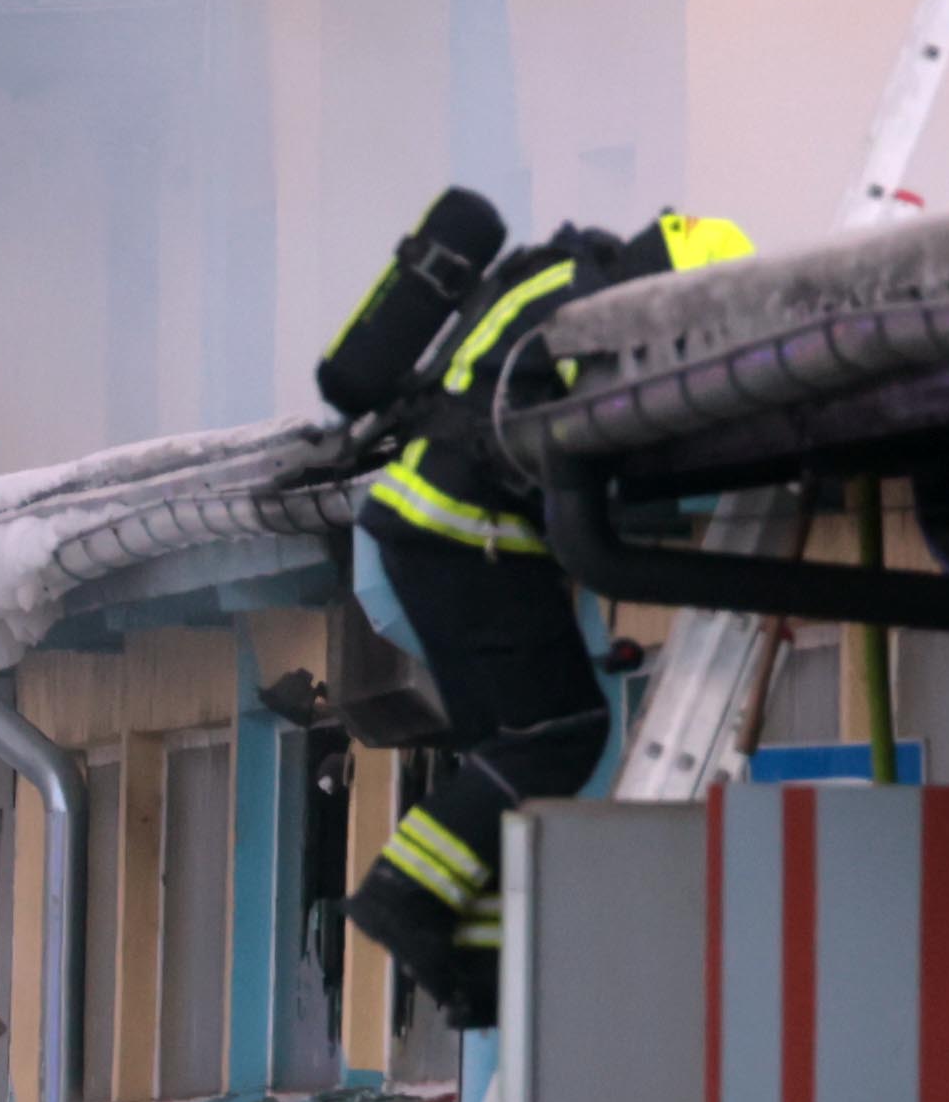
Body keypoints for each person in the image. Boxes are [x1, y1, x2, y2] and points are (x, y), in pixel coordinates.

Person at [323, 199, 758, 1025]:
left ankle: (471, 961)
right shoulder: (596, 312)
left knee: (510, 749)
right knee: (559, 733)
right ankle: (403, 896)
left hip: (427, 530)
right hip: (467, 535)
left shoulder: (556, 278)